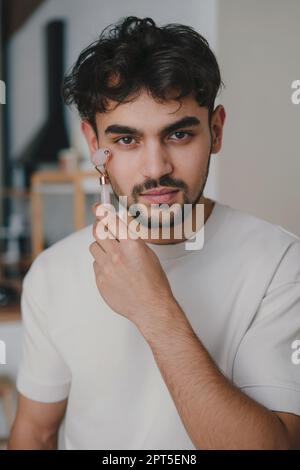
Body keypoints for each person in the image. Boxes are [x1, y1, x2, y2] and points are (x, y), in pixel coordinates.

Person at [8, 16, 300, 450]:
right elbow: (35, 431)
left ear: (215, 131)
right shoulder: (53, 272)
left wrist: (153, 309)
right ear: (94, 145)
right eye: (126, 141)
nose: (156, 168)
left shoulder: (279, 263)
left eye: (179, 134)